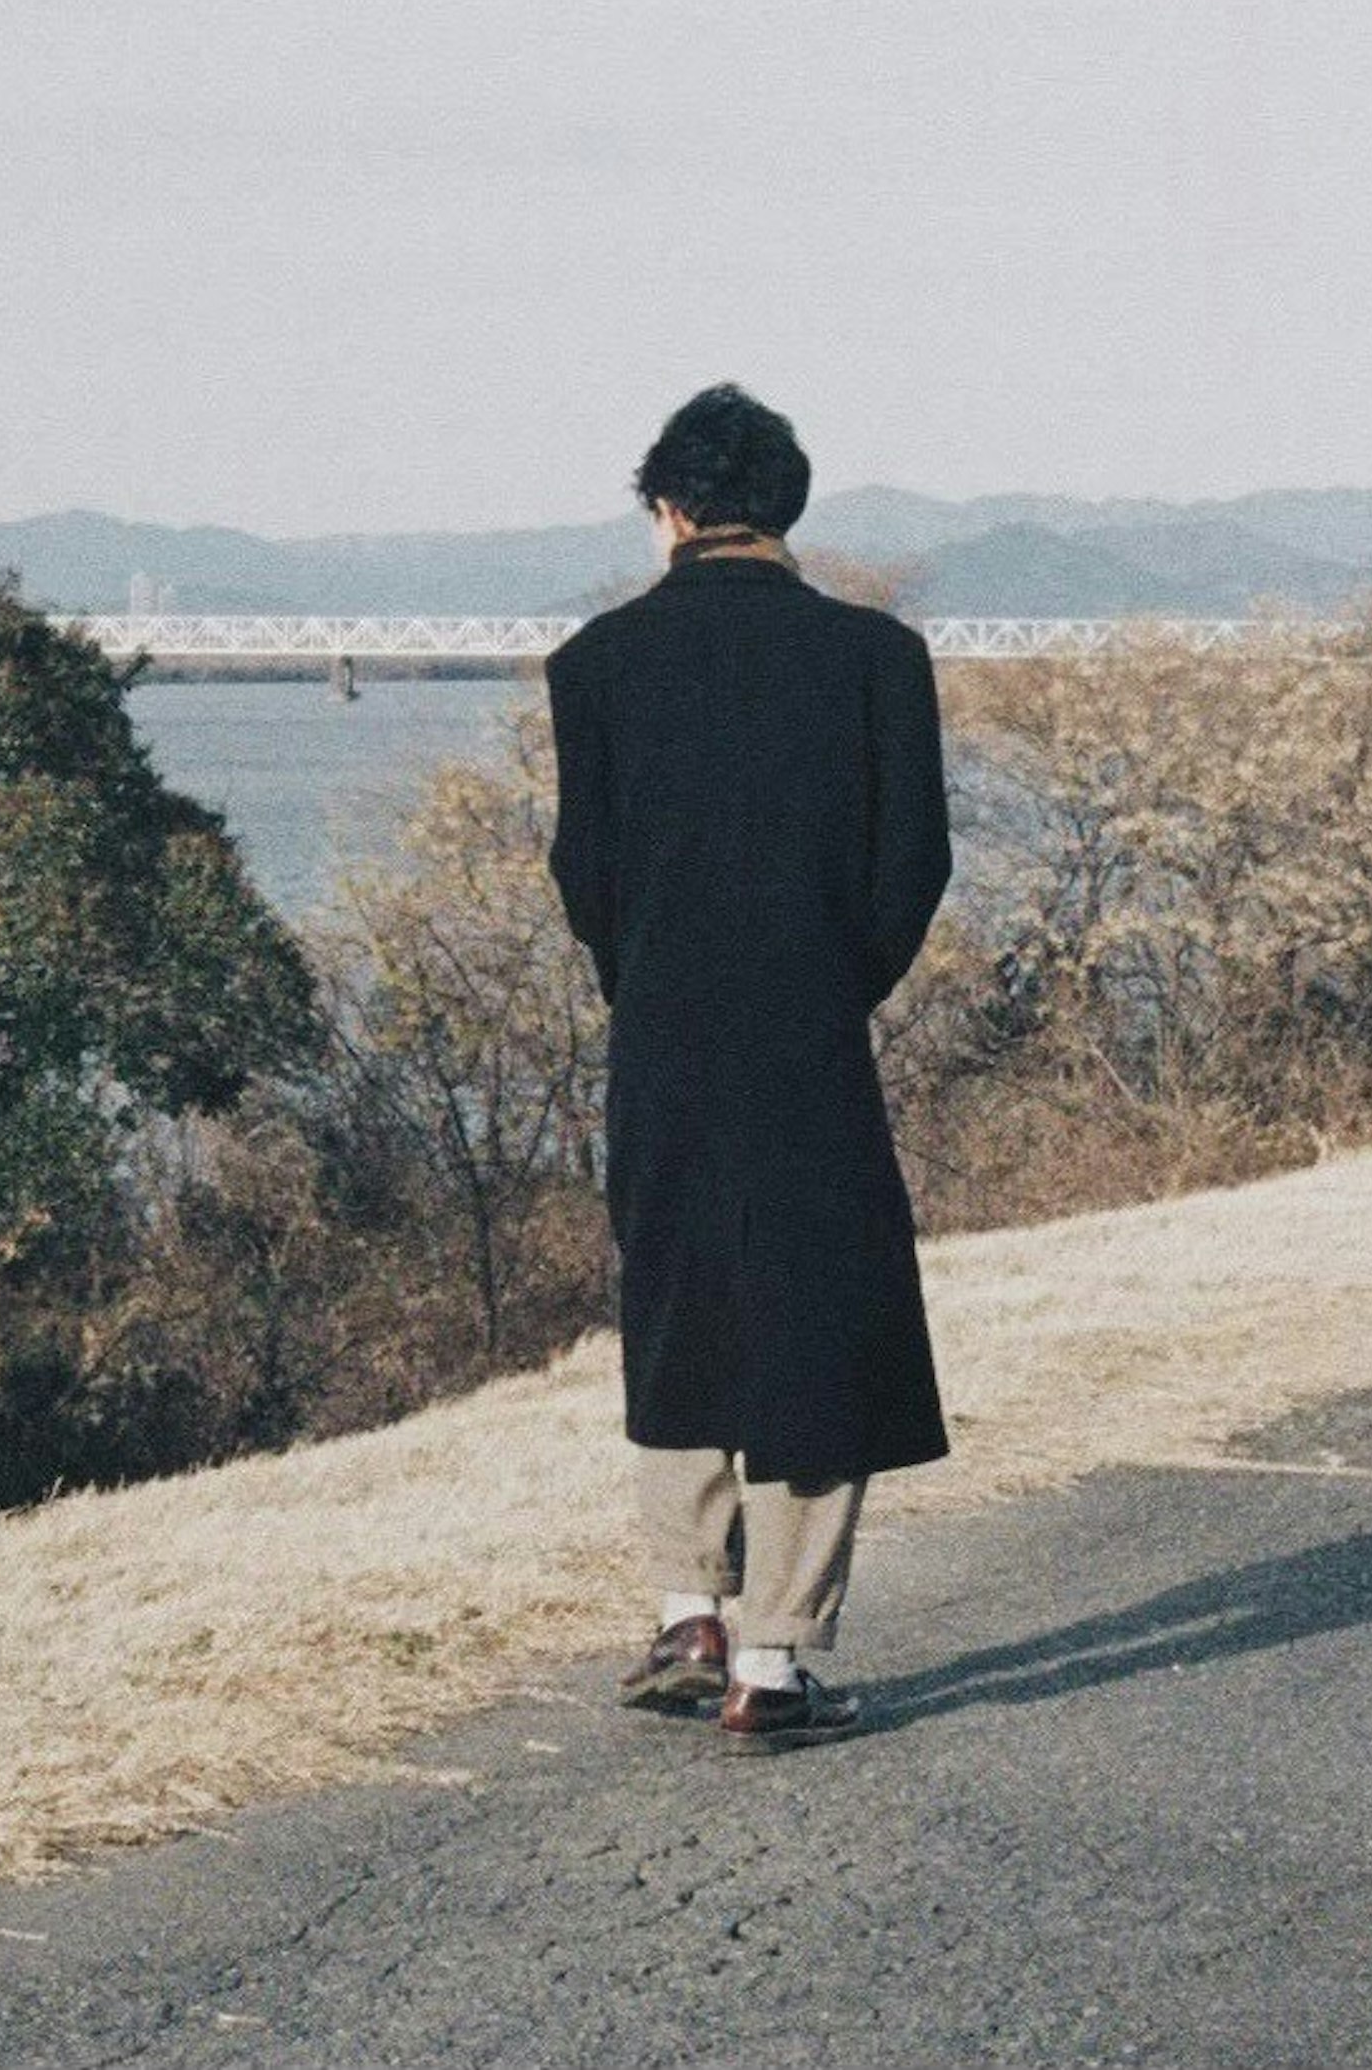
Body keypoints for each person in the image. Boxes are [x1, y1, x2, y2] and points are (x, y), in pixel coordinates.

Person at [541, 382, 955, 1753]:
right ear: (787, 508)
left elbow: (584, 877)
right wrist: (834, 985)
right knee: (816, 1319)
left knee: (674, 1307)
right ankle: (769, 1666)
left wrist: (651, 978)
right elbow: (914, 870)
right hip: (808, 1035)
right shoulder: (878, 662)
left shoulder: (595, 665)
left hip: (662, 1033)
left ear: (668, 511)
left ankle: (686, 1610)